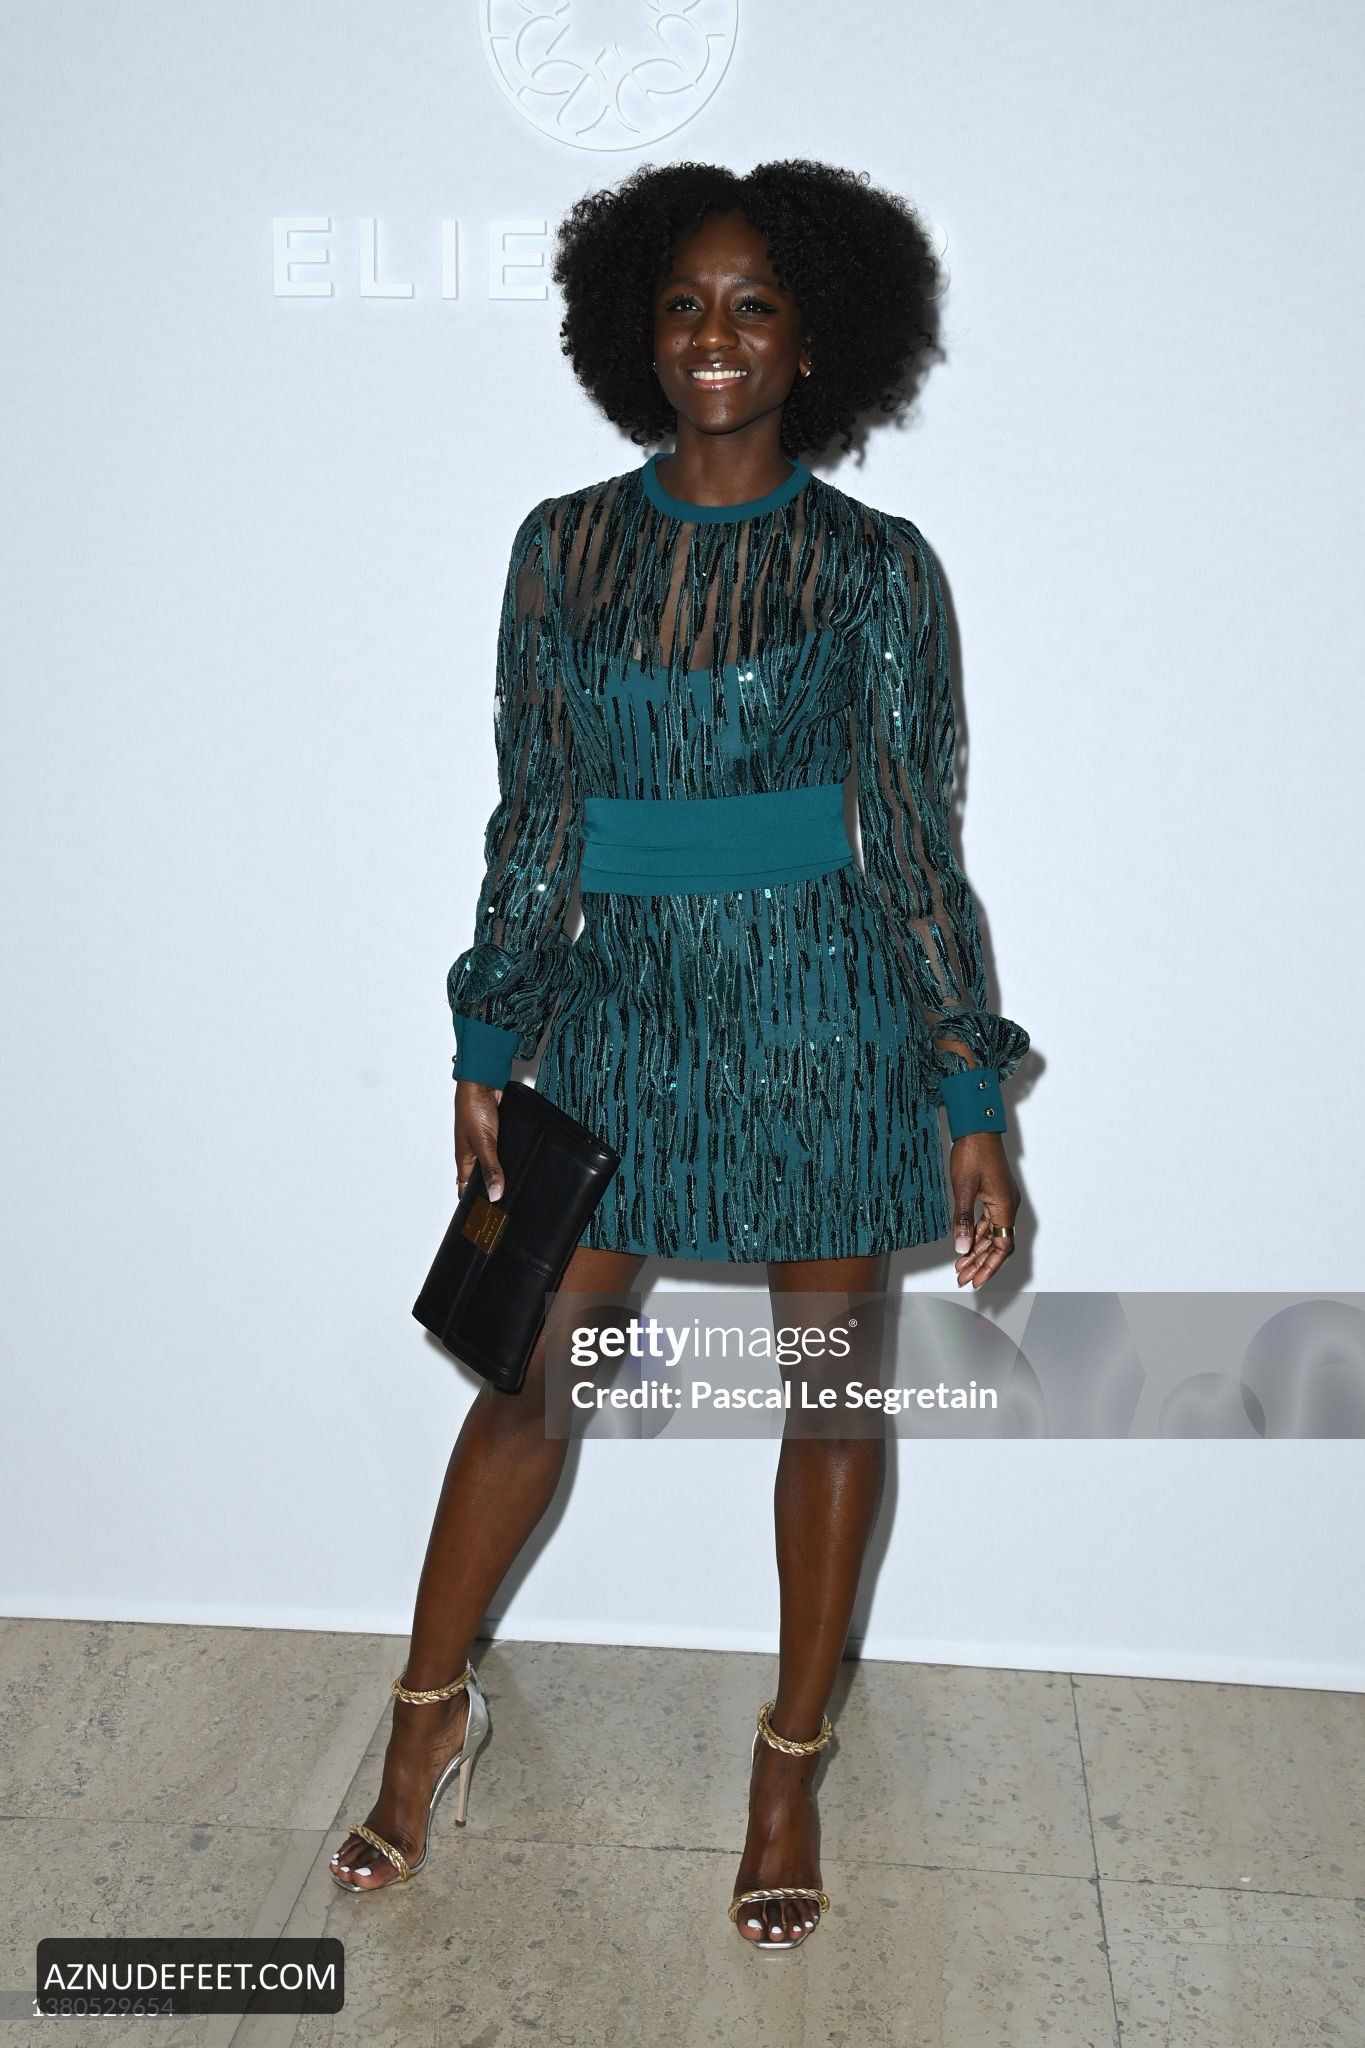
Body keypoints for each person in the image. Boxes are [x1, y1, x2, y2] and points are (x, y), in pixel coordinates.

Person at [331, 158, 1030, 1953]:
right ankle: (423, 1720)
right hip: (620, 1022)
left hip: (824, 1026)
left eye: (754, 306)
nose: (714, 337)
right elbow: (535, 811)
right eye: (683, 305)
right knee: (526, 1382)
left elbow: (911, 840)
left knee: (830, 1402)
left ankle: (787, 1771)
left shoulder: (874, 567)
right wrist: (489, 1031)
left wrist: (965, 1091)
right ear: (632, 332)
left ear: (814, 341)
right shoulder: (559, 546)